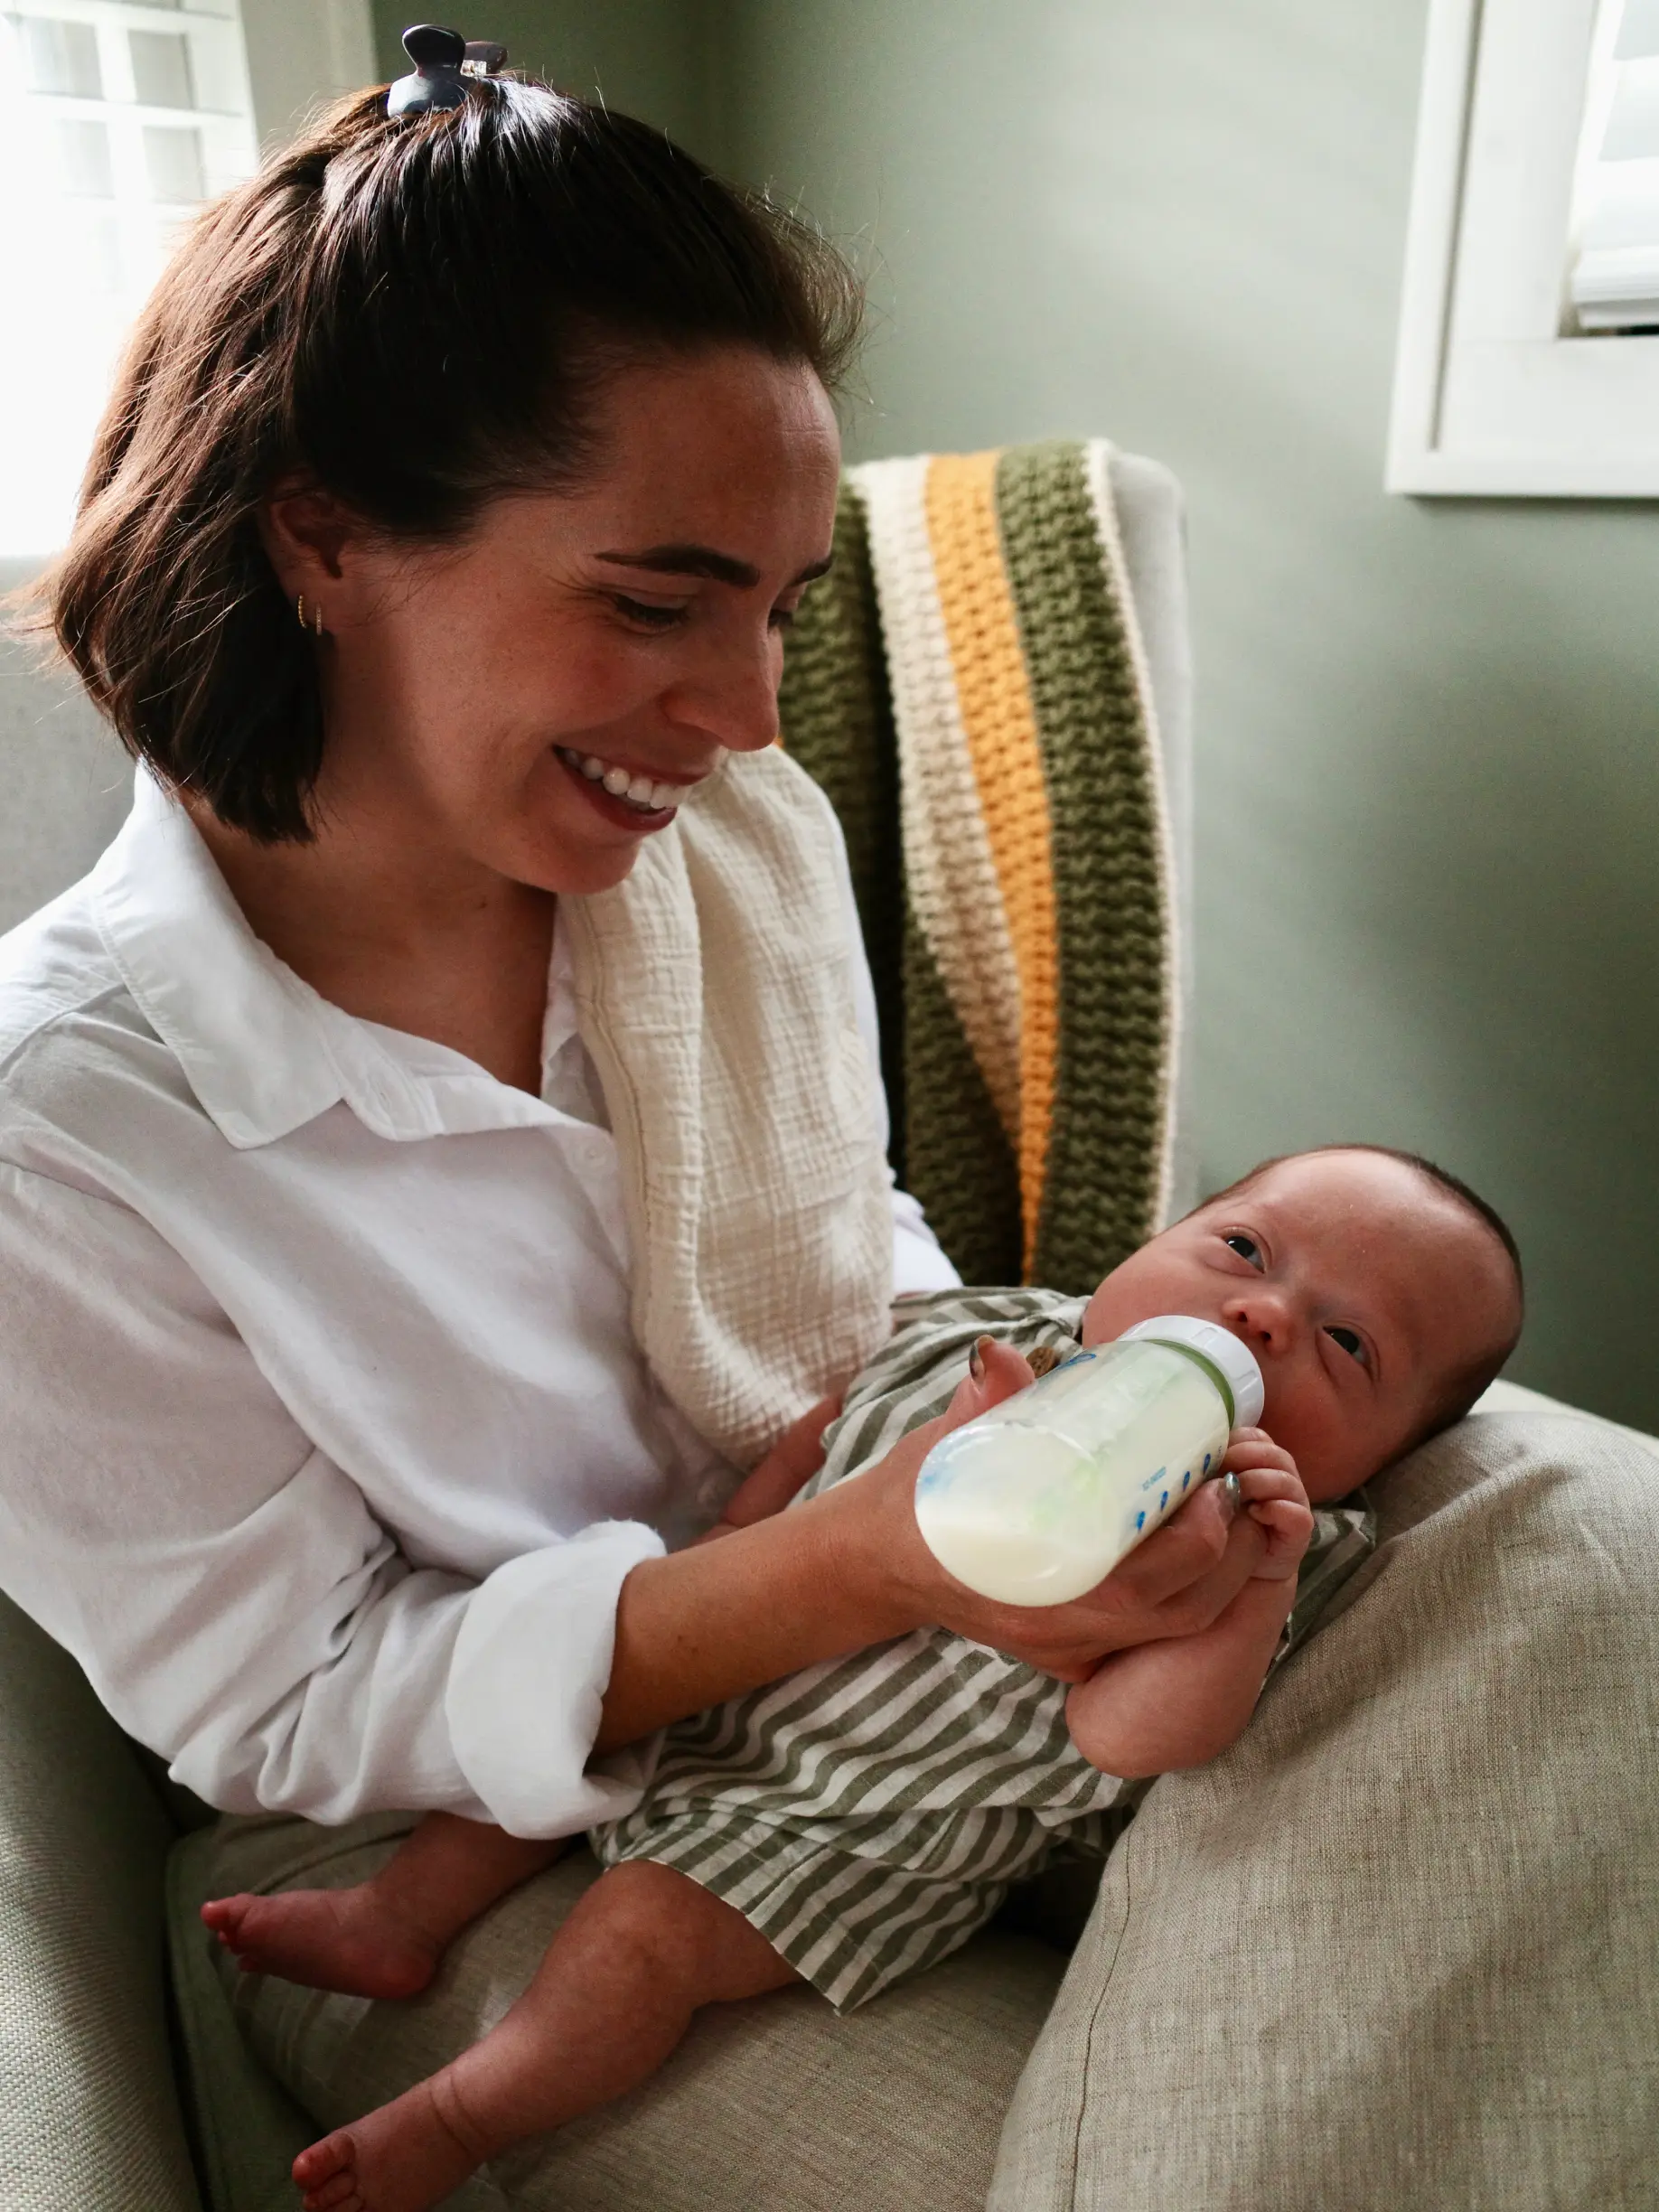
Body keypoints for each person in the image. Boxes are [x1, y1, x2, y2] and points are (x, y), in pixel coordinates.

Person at [0, 55, 1283, 2177]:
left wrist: (1042, 1438)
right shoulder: (62, 1127)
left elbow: (853, 1249)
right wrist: (855, 1565)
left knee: (1553, 1560)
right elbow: (304, 1704)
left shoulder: (727, 856)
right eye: (654, 601)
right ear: (322, 533)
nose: (751, 717)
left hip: (903, 1634)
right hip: (450, 1846)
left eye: (781, 609)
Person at [199, 1143, 1523, 2212]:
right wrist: (732, 1541)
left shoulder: (1262, 1539)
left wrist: (1258, 1590)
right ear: (1150, 1241)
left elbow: (1132, 1739)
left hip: (847, 1829)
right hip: (724, 1666)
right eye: (1243, 1249)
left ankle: (457, 2115)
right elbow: (829, 1432)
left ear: (1383, 1458)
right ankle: (394, 1917)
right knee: (538, 1736)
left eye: (1349, 1347)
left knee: (637, 1942)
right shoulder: (995, 1330)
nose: (1265, 1316)